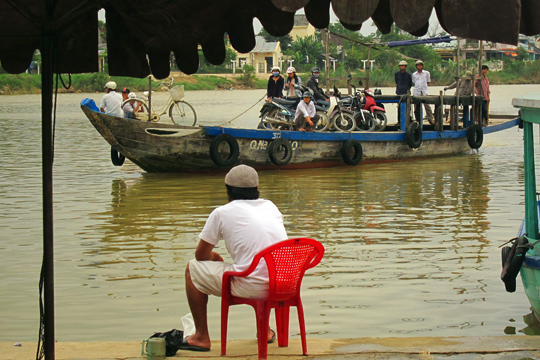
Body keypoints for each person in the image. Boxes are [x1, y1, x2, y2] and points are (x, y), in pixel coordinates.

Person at [182, 165, 287, 352]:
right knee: (260, 266)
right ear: (256, 189)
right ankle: (266, 330)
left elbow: (200, 256)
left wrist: (214, 257)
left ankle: (201, 337)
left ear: (228, 191)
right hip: (284, 283)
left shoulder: (222, 213)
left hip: (253, 286)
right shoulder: (271, 206)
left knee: (192, 269)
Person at [411, 60, 434, 124]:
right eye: (418, 65)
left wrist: (424, 87)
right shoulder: (414, 74)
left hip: (424, 91)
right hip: (416, 91)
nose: (419, 66)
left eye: (420, 65)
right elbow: (414, 82)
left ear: (422, 66)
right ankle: (417, 120)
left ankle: (430, 119)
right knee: (416, 107)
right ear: (416, 66)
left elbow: (428, 82)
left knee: (427, 106)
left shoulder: (426, 73)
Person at [395, 60, 412, 124]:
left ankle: (407, 120)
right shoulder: (397, 74)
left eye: (403, 66)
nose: (402, 67)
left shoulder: (408, 75)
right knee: (399, 107)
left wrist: (407, 89)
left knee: (407, 107)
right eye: (401, 66)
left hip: (406, 92)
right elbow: (396, 82)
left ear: (405, 66)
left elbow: (410, 83)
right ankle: (399, 121)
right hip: (399, 92)